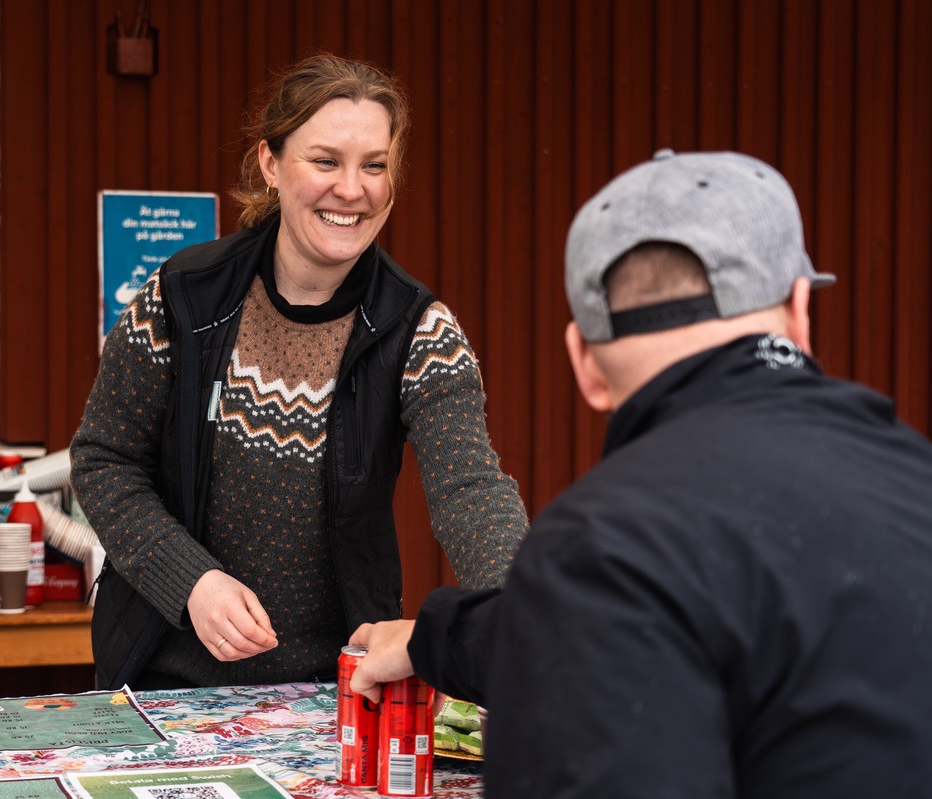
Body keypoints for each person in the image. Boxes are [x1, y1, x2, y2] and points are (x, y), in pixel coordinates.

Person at [349, 149, 932, 797]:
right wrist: (443, 637)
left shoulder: (606, 543)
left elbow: (638, 605)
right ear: (799, 308)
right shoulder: (915, 481)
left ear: (585, 363)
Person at [70, 53, 527, 691]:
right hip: (157, 680)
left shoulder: (419, 331)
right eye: (325, 161)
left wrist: (521, 610)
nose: (352, 188)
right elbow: (102, 459)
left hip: (334, 689)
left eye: (374, 166)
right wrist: (190, 580)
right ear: (270, 164)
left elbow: (470, 491)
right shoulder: (181, 297)